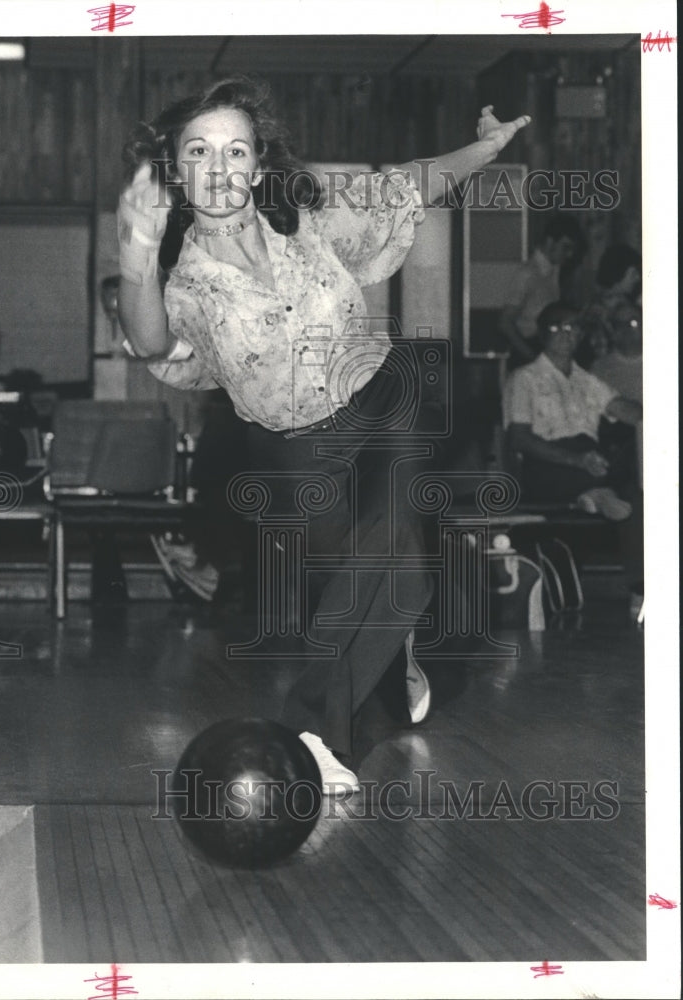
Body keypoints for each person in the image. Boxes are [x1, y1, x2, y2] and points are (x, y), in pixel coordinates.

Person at [117, 76, 530, 794]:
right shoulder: (184, 284)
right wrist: (134, 253)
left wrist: (485, 148)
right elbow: (150, 342)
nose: (220, 170)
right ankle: (393, 665)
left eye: (236, 150)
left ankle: (314, 733)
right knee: (395, 582)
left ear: (258, 163)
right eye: (199, 152)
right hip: (295, 451)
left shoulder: (312, 226)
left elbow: (407, 186)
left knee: (397, 543)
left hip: (378, 403)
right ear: (176, 170)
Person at [503, 302, 642, 517]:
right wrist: (576, 459)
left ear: (581, 335)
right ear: (542, 334)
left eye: (572, 328)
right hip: (549, 461)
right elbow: (519, 439)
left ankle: (597, 496)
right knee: (604, 481)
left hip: (593, 458)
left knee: (636, 457)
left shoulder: (587, 380)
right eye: (556, 328)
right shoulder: (524, 378)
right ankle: (598, 495)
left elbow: (623, 409)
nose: (565, 335)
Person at [498, 214, 584, 367]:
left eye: (572, 249)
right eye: (565, 247)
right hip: (528, 350)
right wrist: (531, 356)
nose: (569, 255)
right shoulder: (528, 273)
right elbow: (506, 323)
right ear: (550, 242)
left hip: (547, 347)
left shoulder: (555, 271)